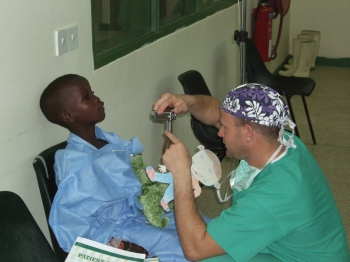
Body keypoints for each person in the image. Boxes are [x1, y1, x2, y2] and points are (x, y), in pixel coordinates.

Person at [153, 83, 350, 261]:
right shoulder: (282, 140)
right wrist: (187, 102)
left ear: (248, 133)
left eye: (224, 128)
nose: (219, 132)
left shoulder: (272, 195)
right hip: (287, 246)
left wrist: (182, 174)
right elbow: (218, 112)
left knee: (202, 257)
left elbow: (195, 249)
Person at [39, 74, 194, 261]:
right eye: (87, 97)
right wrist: (118, 244)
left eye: (93, 93)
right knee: (183, 249)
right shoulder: (74, 163)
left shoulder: (107, 139)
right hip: (118, 230)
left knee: (198, 229)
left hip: (140, 212)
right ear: (68, 115)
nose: (97, 99)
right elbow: (73, 224)